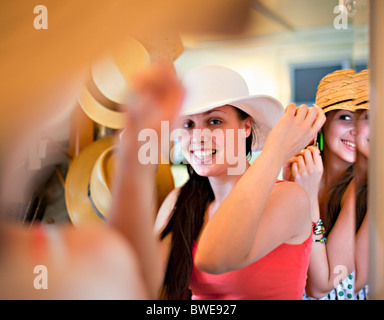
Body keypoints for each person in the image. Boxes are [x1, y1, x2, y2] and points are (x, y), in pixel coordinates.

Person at [154, 65, 326, 300]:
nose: (199, 137)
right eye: (189, 125)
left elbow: (215, 257)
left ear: (246, 126)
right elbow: (143, 281)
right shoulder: (181, 199)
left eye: (215, 121)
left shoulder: (289, 197)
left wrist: (274, 152)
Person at [284, 69, 360, 299]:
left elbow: (321, 286)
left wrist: (306, 197)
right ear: (321, 125)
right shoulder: (300, 171)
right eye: (346, 117)